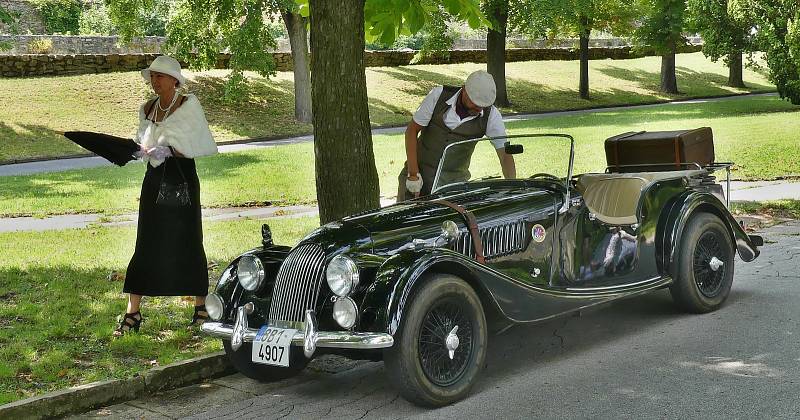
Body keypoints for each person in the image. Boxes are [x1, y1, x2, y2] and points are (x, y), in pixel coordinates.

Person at [114, 55, 218, 336]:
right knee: (146, 240)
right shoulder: (146, 108)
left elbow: (198, 141)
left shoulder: (188, 104)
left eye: (160, 76)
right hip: (155, 179)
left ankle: (201, 307)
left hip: (181, 178)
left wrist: (170, 149)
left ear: (175, 80)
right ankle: (132, 311)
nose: (155, 81)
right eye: (153, 76)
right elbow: (142, 139)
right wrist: (141, 150)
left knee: (189, 238)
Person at [397, 70, 516, 202]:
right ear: (464, 89)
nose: (478, 109)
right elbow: (412, 131)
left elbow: (505, 154)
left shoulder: (491, 116)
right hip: (416, 177)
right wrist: (413, 174)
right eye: (475, 103)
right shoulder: (439, 95)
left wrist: (512, 188)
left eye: (483, 106)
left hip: (452, 188)